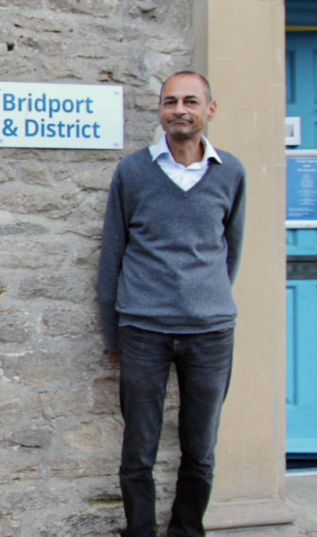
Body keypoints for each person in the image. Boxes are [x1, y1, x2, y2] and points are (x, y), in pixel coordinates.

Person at [97, 71, 247, 537]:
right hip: (144, 331)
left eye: (190, 101)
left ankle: (187, 530)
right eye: (170, 101)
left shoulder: (232, 172)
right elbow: (113, 255)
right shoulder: (133, 171)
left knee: (200, 449)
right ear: (159, 110)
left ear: (210, 109)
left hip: (211, 334)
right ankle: (140, 531)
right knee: (138, 448)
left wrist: (209, 301)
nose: (179, 109)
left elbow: (231, 250)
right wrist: (113, 332)